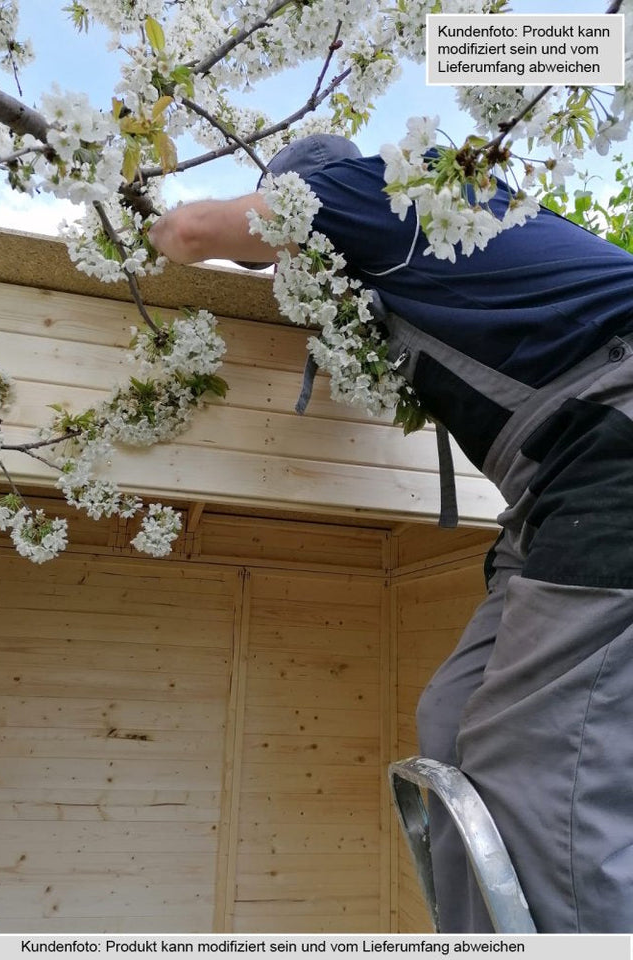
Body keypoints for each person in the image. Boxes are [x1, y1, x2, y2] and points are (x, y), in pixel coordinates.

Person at [149, 134, 633, 933]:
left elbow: (192, 232)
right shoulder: (410, 265)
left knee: (541, 764)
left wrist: (137, 221)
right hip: (554, 474)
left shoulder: (371, 187)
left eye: (284, 253)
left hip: (612, 429)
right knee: (452, 719)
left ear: (296, 190)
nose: (287, 272)